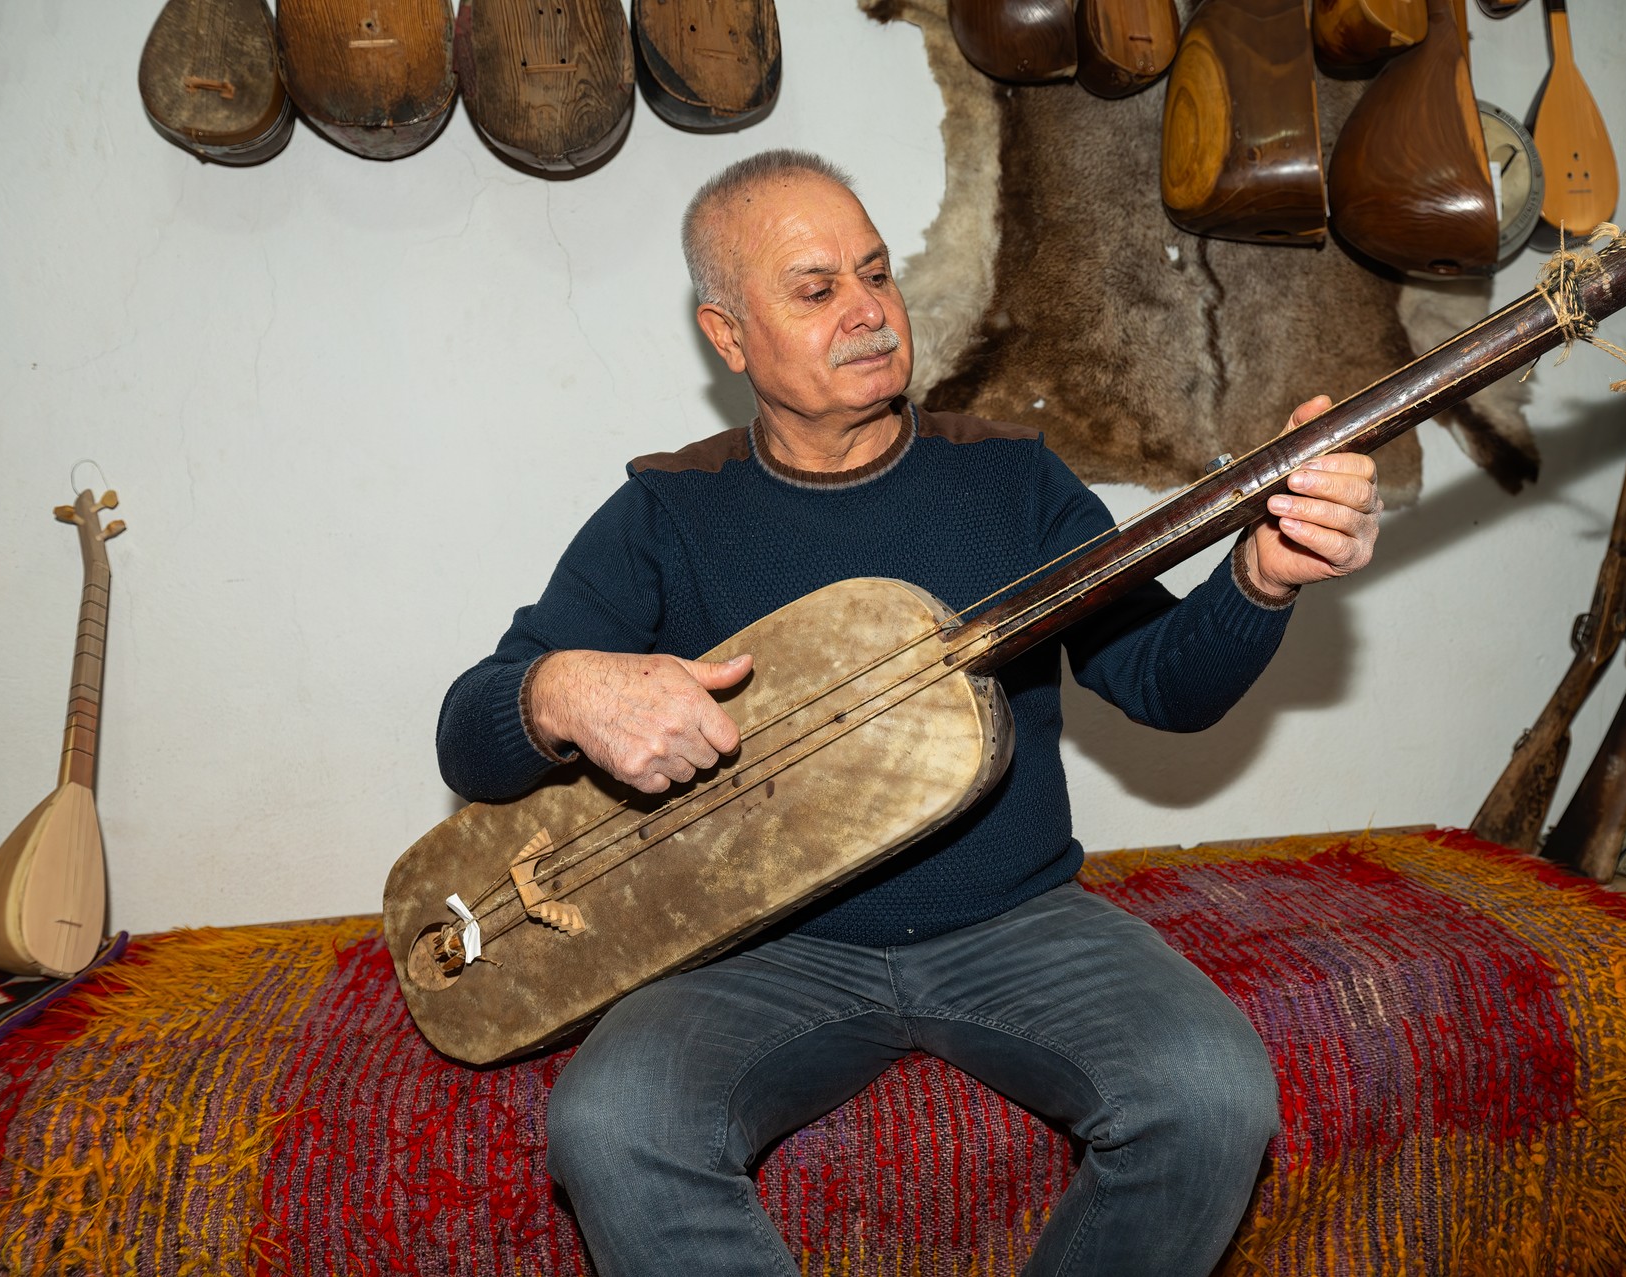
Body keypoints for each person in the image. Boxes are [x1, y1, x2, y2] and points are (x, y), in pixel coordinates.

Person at [435, 149, 1381, 1276]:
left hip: (1018, 924)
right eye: (816, 288)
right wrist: (565, 689)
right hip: (757, 950)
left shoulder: (1012, 481)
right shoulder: (665, 510)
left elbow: (1161, 684)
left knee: (1215, 1093)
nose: (870, 311)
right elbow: (469, 730)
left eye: (876, 275)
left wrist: (1261, 578)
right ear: (729, 338)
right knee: (612, 1120)